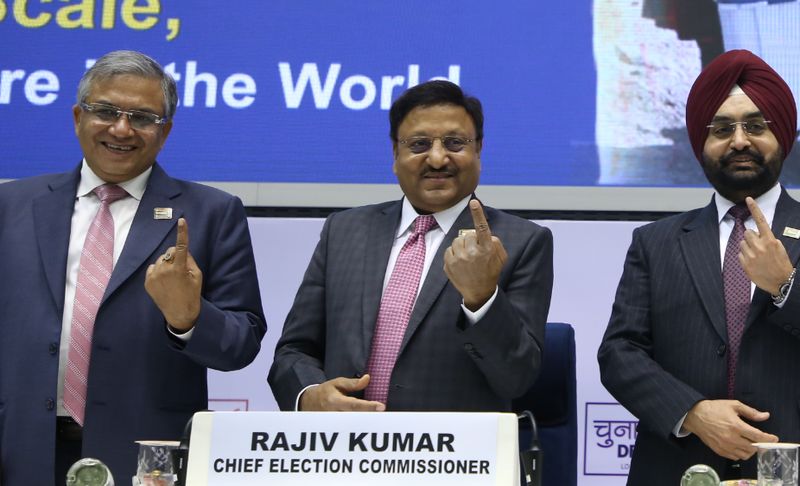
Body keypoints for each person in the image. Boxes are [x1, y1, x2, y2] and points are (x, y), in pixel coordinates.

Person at [0, 50, 266, 485]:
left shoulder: (212, 213)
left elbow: (241, 345)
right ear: (78, 118)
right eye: (105, 111)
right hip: (19, 451)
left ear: (165, 132)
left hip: (145, 459)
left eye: (142, 118)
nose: (121, 129)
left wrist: (188, 318)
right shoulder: (11, 205)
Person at [268, 80, 553, 412]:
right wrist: (310, 395)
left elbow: (517, 378)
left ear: (478, 150)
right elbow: (293, 351)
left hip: (450, 444)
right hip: (344, 441)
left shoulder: (521, 242)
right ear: (395, 154)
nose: (437, 158)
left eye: (455, 143)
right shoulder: (344, 231)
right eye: (419, 144)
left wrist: (482, 299)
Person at [598, 49, 800, 484]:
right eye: (722, 129)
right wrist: (691, 413)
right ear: (700, 144)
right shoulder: (655, 242)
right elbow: (619, 353)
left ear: (783, 135)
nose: (740, 141)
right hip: (679, 468)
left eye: (756, 126)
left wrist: (786, 285)